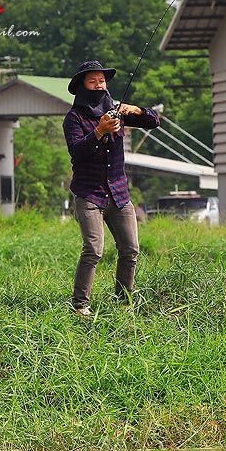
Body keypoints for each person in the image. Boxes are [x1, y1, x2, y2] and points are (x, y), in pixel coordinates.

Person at [63, 60, 160, 316]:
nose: (99, 84)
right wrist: (98, 131)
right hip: (89, 195)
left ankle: (123, 302)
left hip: (119, 194)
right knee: (93, 249)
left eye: (102, 80)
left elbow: (154, 122)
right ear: (83, 86)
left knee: (130, 250)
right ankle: (80, 305)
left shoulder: (118, 111)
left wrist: (137, 110)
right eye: (92, 81)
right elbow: (77, 151)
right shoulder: (74, 118)